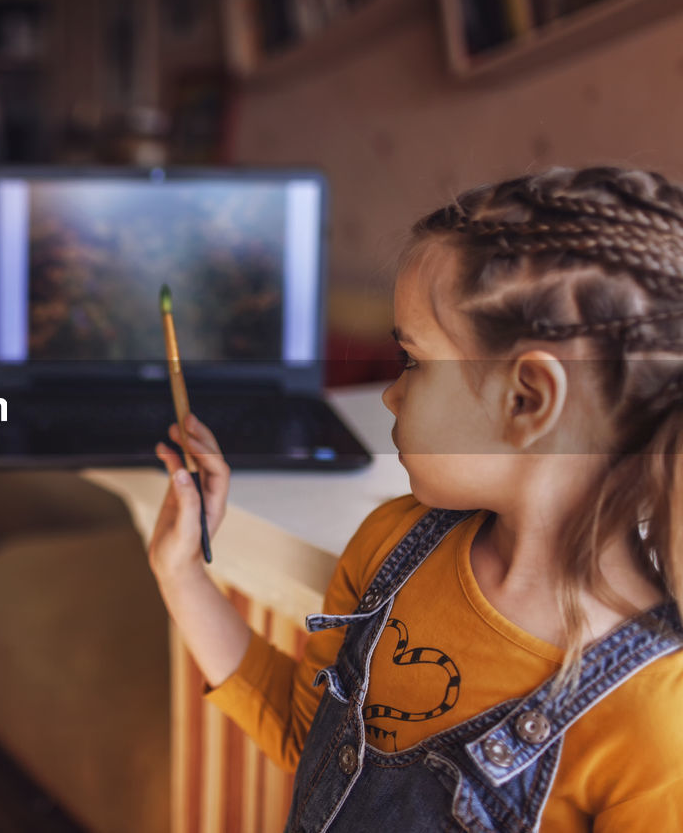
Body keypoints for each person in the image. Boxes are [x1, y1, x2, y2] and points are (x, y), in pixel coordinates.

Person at [148, 166, 683, 831]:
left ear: (528, 399)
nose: (391, 394)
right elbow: (304, 735)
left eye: (414, 361)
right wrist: (180, 570)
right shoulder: (389, 544)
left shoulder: (657, 720)